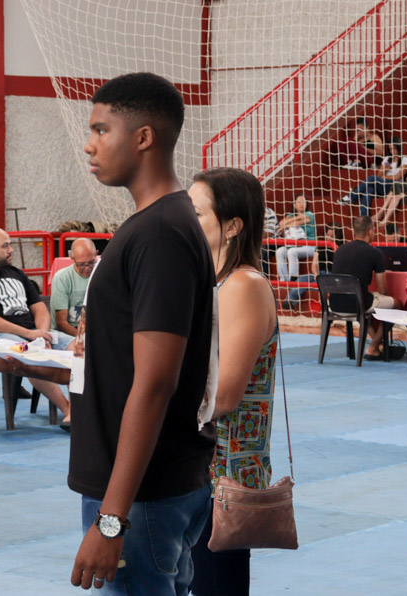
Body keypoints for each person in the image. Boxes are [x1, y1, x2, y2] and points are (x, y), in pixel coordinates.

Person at [0, 73, 217, 595]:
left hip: (142, 494)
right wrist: (31, 366)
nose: (88, 144)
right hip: (144, 488)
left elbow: (155, 383)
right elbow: (121, 363)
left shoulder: (159, 233)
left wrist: (111, 520)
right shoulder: (152, 225)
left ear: (143, 138)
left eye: (101, 130)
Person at [187, 167, 278, 596]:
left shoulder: (243, 285)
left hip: (222, 473)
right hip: (201, 465)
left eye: (196, 212)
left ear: (232, 226)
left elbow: (223, 396)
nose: (186, 220)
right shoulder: (214, 282)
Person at [0, 227, 72, 423]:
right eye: (5, 246)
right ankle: (67, 409)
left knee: (80, 348)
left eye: (10, 245)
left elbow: (39, 308)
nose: (11, 250)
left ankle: (81, 406)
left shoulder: (16, 273)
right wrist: (30, 335)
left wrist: (41, 333)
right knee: (31, 353)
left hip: (30, 333)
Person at [332, 215, 402, 360]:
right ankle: (373, 347)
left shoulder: (339, 250)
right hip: (358, 303)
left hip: (335, 303)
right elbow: (383, 290)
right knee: (397, 305)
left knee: (362, 300)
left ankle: (378, 345)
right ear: (370, 231)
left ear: (354, 231)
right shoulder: (375, 253)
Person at [340, 137, 407, 216]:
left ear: (399, 147)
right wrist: (385, 170)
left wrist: (384, 177)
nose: (392, 151)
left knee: (372, 178)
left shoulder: (405, 160)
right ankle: (364, 216)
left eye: (394, 148)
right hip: (383, 184)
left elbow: (398, 177)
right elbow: (379, 175)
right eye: (390, 149)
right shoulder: (387, 159)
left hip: (394, 187)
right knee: (369, 189)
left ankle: (351, 197)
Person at [281, 222, 343, 310]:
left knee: (315, 284)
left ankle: (294, 300)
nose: (329, 238)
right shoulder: (321, 246)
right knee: (302, 279)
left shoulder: (341, 247)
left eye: (332, 236)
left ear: (338, 236)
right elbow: (314, 264)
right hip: (319, 274)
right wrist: (316, 274)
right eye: (327, 235)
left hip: (331, 275)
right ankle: (289, 302)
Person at [50, 238, 97, 337]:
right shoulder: (62, 278)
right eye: (81, 264)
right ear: (71, 257)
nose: (87, 268)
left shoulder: (101, 273)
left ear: (96, 254)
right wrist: (84, 338)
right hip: (69, 331)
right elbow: (61, 323)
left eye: (91, 262)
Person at [275, 194, 317, 281]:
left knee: (292, 252)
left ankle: (293, 279)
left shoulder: (310, 214)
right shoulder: (291, 215)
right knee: (279, 251)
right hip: (293, 245)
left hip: (309, 246)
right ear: (294, 205)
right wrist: (293, 219)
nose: (302, 204)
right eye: (299, 202)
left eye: (303, 202)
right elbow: (281, 223)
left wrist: (286, 225)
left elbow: (299, 222)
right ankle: (283, 279)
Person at [260, 205, 279, 277]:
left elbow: (268, 234)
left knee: (262, 245)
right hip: (255, 241)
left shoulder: (268, 212)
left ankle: (264, 277)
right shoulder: (246, 212)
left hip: (274, 242)